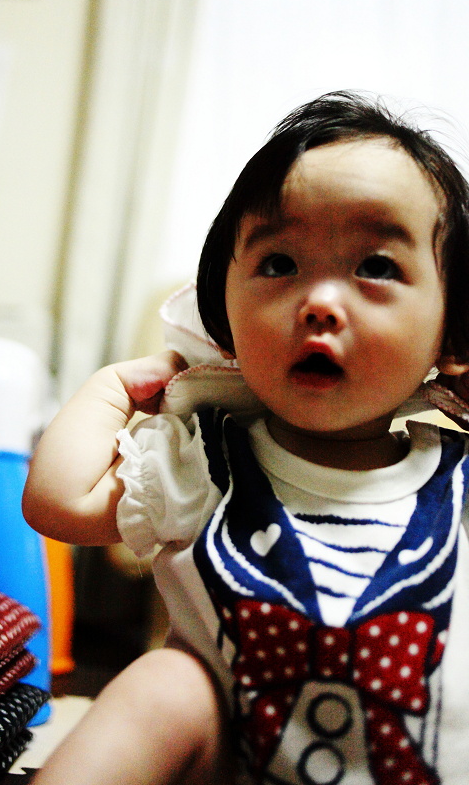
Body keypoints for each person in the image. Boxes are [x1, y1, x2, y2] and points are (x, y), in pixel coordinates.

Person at [23, 91, 469, 785]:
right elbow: (60, 502)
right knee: (167, 684)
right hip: (234, 759)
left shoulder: (458, 479)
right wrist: (115, 389)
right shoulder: (205, 461)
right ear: (223, 318)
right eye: (279, 264)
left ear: (452, 332)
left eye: (377, 267)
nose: (319, 303)